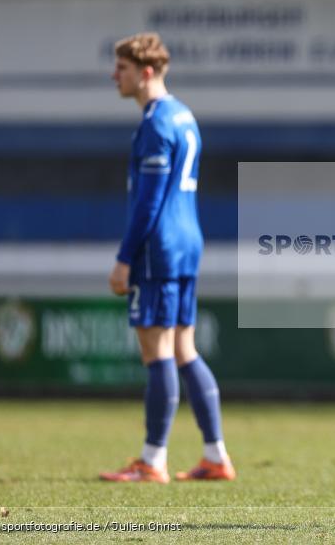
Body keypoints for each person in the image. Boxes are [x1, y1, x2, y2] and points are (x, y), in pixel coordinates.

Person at [99, 32, 235, 483]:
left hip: (158, 247)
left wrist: (124, 257)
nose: (114, 76)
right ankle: (216, 455)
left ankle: (151, 460)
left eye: (121, 68)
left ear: (146, 72)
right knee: (183, 348)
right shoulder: (184, 115)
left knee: (156, 351)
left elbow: (149, 202)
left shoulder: (156, 123)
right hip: (188, 241)